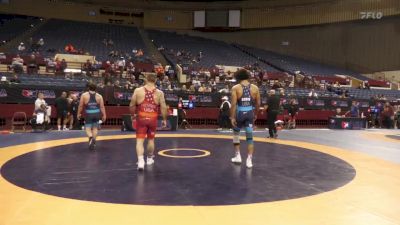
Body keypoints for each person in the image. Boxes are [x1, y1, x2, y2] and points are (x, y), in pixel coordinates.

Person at [129, 73, 168, 171]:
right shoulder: (159, 93)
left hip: (141, 118)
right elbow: (163, 107)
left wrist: (133, 115)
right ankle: (149, 159)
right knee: (151, 140)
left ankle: (141, 161)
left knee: (139, 141)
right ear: (155, 81)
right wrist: (164, 119)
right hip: (152, 119)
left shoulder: (138, 90)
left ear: (146, 79)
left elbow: (132, 105)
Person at [230, 69, 261, 168]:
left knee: (236, 135)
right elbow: (258, 104)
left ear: (238, 77)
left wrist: (232, 117)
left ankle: (238, 156)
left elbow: (234, 104)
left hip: (239, 114)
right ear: (248, 76)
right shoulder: (255, 88)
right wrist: (256, 114)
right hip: (250, 114)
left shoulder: (236, 88)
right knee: (250, 138)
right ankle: (249, 160)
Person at [77, 83, 107, 150]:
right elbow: (102, 107)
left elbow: (81, 106)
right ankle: (93, 142)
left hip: (89, 114)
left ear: (88, 88)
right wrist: (104, 115)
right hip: (97, 113)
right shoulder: (99, 96)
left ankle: (90, 138)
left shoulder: (84, 95)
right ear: (96, 89)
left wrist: (78, 114)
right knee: (95, 128)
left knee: (87, 128)